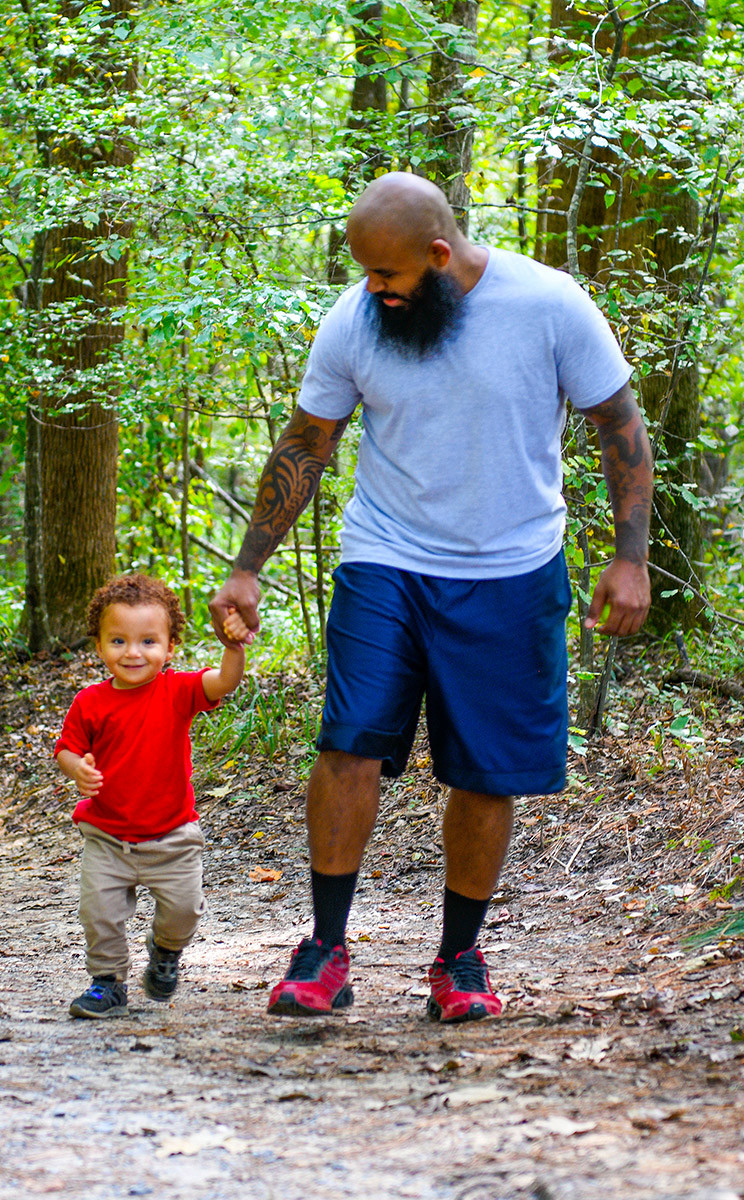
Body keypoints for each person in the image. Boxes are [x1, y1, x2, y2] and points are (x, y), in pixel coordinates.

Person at [210, 172, 653, 1024]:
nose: (372, 291)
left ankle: (458, 959)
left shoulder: (549, 305)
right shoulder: (355, 319)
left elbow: (619, 423)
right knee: (348, 746)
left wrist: (628, 560)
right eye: (366, 274)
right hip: (386, 558)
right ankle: (325, 951)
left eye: (387, 275)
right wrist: (246, 565)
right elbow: (309, 441)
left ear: (440, 256)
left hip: (513, 570)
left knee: (486, 772)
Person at [55, 573, 247, 1019]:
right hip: (108, 835)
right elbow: (66, 748)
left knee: (183, 910)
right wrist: (76, 767)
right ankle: (107, 983)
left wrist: (233, 647)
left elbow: (224, 683)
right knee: (99, 914)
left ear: (170, 646)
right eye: (118, 641)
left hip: (172, 837)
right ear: (100, 646)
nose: (133, 653)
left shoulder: (177, 691)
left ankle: (165, 950)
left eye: (147, 641)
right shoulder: (90, 702)